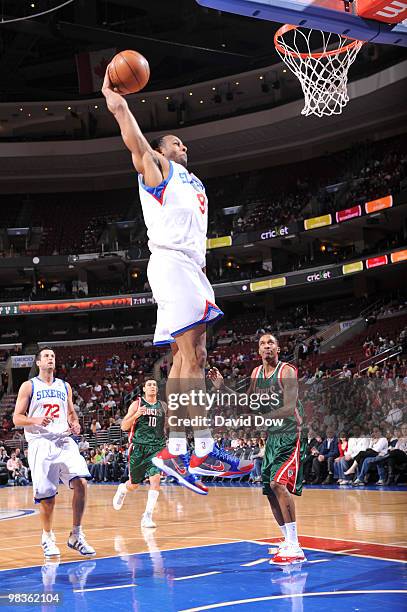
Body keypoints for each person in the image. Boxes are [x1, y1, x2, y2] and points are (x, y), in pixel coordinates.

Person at [102, 69, 251, 491]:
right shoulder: (157, 168)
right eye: (174, 142)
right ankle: (194, 450)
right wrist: (117, 103)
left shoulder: (194, 181)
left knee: (192, 357)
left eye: (183, 143)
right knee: (194, 357)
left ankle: (180, 452)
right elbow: (134, 139)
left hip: (191, 267)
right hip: (170, 262)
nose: (182, 145)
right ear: (161, 151)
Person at [209, 334, 307, 565]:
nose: (267, 346)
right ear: (258, 350)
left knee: (277, 484)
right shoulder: (256, 374)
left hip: (289, 432)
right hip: (272, 436)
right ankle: (287, 540)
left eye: (271, 343)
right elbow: (248, 403)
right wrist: (222, 387)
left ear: (278, 349)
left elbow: (289, 406)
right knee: (269, 491)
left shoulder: (287, 371)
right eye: (263, 344)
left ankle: (295, 545)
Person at [13, 346, 95, 558]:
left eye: (52, 356)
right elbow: (17, 418)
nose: (50, 359)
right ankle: (47, 537)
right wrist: (35, 419)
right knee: (48, 498)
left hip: (64, 440)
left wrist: (75, 423)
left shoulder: (64, 386)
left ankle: (76, 535)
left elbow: (71, 413)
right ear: (38, 363)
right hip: (41, 443)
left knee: (82, 483)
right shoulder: (28, 386)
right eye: (46, 356)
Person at [113, 379, 208, 526]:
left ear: (157, 390)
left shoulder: (163, 406)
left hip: (157, 448)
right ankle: (123, 489)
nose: (152, 387)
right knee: (134, 484)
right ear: (144, 389)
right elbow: (124, 427)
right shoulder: (137, 404)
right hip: (138, 448)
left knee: (155, 480)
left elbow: (170, 423)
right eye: (149, 385)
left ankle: (147, 516)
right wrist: (136, 415)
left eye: (154, 385)